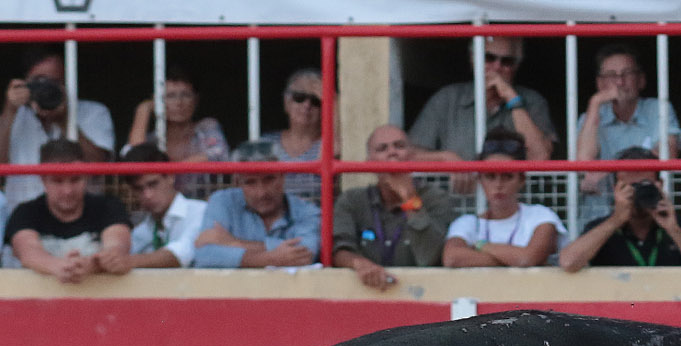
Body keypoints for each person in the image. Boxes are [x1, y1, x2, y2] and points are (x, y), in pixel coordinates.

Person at [332, 124, 454, 289]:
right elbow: (339, 249)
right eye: (382, 149)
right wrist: (360, 264)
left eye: (399, 146)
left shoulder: (436, 198)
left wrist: (409, 199)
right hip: (364, 293)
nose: (392, 153)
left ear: (412, 157)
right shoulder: (352, 200)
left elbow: (430, 258)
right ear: (369, 163)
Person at [409, 35, 557, 165]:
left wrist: (512, 99)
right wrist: (444, 158)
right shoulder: (447, 99)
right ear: (473, 59)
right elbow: (409, 155)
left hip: (512, 189)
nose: (497, 67)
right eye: (489, 58)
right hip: (454, 190)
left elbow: (540, 157)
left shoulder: (533, 101)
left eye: (507, 61)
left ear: (516, 66)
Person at [575, 44, 681, 220]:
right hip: (600, 216)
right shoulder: (589, 117)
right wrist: (595, 103)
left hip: (649, 213)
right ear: (600, 83)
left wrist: (607, 170)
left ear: (641, 80)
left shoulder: (658, 109)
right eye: (611, 75)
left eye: (627, 73)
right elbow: (583, 164)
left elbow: (668, 153)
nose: (620, 82)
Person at [558, 146, 681, 270]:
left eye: (645, 185)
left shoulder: (679, 226)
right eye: (630, 186)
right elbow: (568, 262)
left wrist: (673, 230)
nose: (638, 192)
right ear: (615, 189)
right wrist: (616, 220)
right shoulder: (601, 227)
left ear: (660, 185)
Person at [1, 47, 115, 208]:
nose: (46, 88)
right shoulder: (14, 117)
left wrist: (65, 120)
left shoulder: (94, 112)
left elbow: (99, 168)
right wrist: (9, 110)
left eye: (54, 82)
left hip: (82, 218)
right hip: (22, 217)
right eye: (40, 81)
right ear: (25, 83)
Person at [3, 138, 129, 282]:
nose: (67, 191)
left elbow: (117, 247)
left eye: (75, 180)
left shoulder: (109, 207)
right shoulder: (25, 212)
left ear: (86, 176)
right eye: (58, 181)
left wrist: (89, 265)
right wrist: (60, 266)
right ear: (43, 180)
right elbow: (27, 251)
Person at [442, 137, 564, 269]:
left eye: (507, 176)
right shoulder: (467, 222)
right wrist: (512, 258)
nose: (498, 184)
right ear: (480, 180)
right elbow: (451, 259)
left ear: (522, 180)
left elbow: (527, 259)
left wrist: (480, 245)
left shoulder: (540, 215)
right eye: (490, 176)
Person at [125, 68, 228, 197]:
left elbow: (219, 155)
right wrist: (143, 110)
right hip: (161, 207)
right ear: (157, 101)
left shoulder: (206, 127)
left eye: (186, 95)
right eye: (170, 96)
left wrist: (167, 171)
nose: (179, 102)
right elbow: (134, 156)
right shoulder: (154, 139)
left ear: (196, 99)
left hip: (204, 204)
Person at [192, 167, 321, 269]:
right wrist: (271, 258)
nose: (261, 193)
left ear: (282, 177)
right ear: (237, 182)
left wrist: (232, 242)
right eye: (250, 182)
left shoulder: (306, 210)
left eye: (269, 179)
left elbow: (305, 253)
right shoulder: (221, 201)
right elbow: (204, 255)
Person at [231, 68, 326, 203]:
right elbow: (242, 182)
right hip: (271, 211)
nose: (307, 105)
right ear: (286, 103)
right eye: (299, 97)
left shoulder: (327, 143)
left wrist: (332, 100)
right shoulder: (266, 142)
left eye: (316, 100)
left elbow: (334, 150)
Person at [120, 143, 205, 268]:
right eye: (139, 189)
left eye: (153, 184)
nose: (147, 195)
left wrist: (127, 262)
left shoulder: (200, 212)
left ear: (170, 176)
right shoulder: (141, 231)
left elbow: (181, 255)